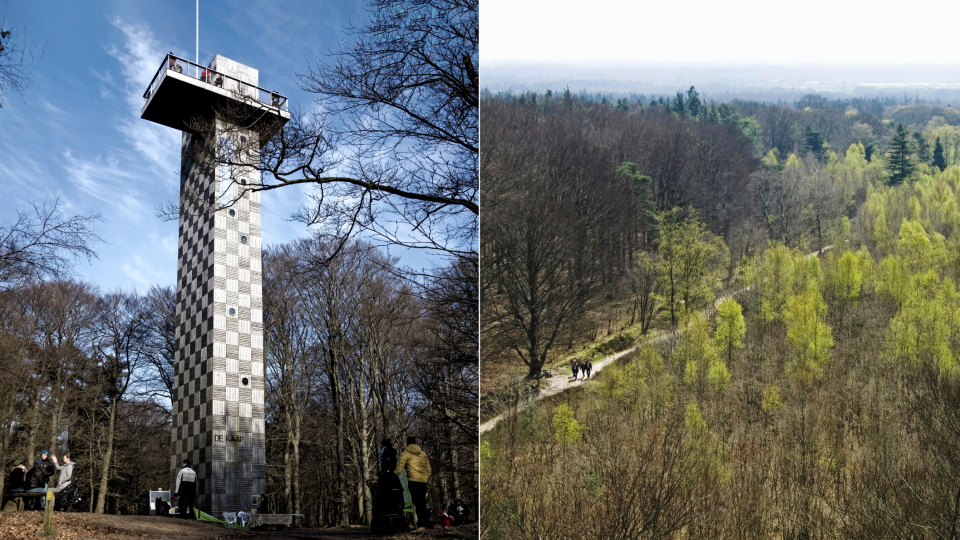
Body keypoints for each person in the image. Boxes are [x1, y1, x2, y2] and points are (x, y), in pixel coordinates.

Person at [394, 436, 432, 531]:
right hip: (423, 481)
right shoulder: (423, 454)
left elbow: (399, 469)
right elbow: (429, 470)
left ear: (407, 443)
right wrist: (425, 479)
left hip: (413, 481)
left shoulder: (405, 454)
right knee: (422, 503)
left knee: (418, 503)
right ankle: (426, 524)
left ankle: (421, 525)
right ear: (415, 443)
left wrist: (391, 476)